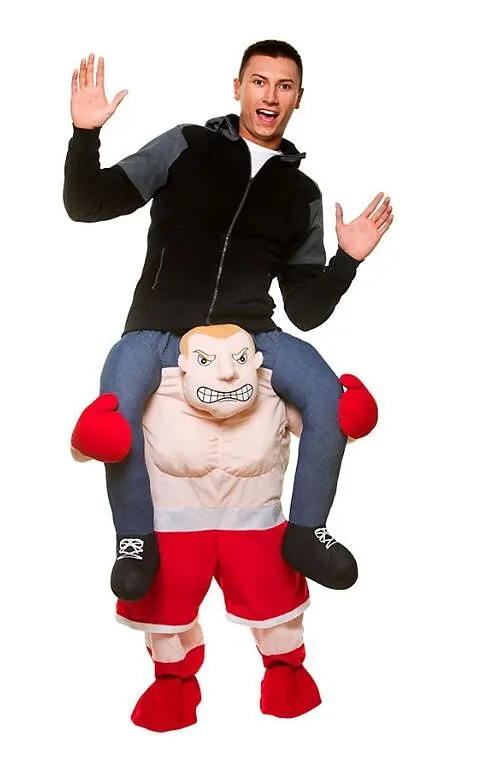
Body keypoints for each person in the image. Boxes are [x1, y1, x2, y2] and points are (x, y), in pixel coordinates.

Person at [64, 40, 392, 601]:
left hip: (250, 334)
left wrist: (347, 260)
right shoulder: (185, 144)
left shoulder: (302, 194)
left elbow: (306, 310)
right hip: (158, 327)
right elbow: (88, 202)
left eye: (284, 86)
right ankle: (135, 539)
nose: (271, 96)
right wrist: (84, 134)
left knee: (328, 396)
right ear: (238, 87)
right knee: (115, 405)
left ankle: (306, 530)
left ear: (299, 98)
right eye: (259, 81)